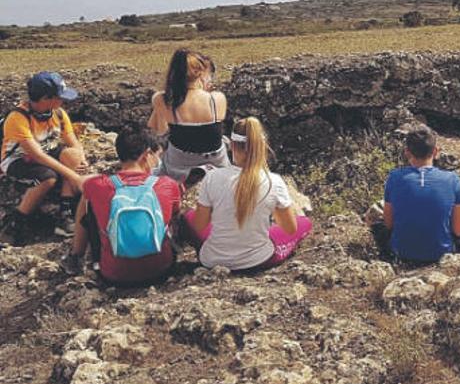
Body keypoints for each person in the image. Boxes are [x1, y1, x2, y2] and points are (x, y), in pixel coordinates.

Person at [182, 117, 312, 271]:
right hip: (258, 260)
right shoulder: (273, 181)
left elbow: (199, 225)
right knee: (304, 223)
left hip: (212, 260)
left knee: (189, 216)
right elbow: (290, 228)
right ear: (261, 146)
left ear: (232, 145)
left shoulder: (212, 177)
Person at [60, 127, 180, 285]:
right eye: (157, 155)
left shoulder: (97, 186)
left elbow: (83, 184)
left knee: (88, 201)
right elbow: (175, 220)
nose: (158, 161)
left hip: (113, 275)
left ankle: (75, 256)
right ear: (147, 154)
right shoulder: (167, 185)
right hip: (161, 270)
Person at [0, 72, 87, 243]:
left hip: (45, 152)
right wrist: (74, 177)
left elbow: (73, 142)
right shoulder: (17, 118)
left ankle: (66, 209)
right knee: (48, 178)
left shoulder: (59, 114)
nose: (63, 101)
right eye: (60, 97)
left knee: (72, 156)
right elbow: (36, 155)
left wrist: (80, 158)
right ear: (46, 98)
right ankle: (17, 222)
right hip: (18, 159)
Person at [379, 124, 460, 263]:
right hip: (441, 256)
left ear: (407, 152)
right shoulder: (452, 179)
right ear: (436, 151)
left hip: (402, 254)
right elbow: (459, 230)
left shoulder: (394, 177)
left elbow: (388, 224)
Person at [148, 48, 229, 182]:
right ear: (200, 72)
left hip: (179, 167)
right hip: (216, 165)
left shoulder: (162, 99)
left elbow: (160, 130)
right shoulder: (217, 99)